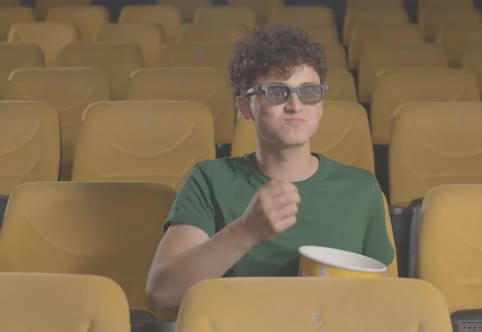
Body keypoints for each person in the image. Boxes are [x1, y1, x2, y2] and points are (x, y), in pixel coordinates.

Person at [146, 23, 394, 312]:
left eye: (309, 92)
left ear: (321, 105)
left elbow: (387, 301)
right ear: (245, 107)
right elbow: (162, 295)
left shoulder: (361, 188)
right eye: (277, 93)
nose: (296, 105)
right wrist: (246, 231)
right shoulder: (208, 179)